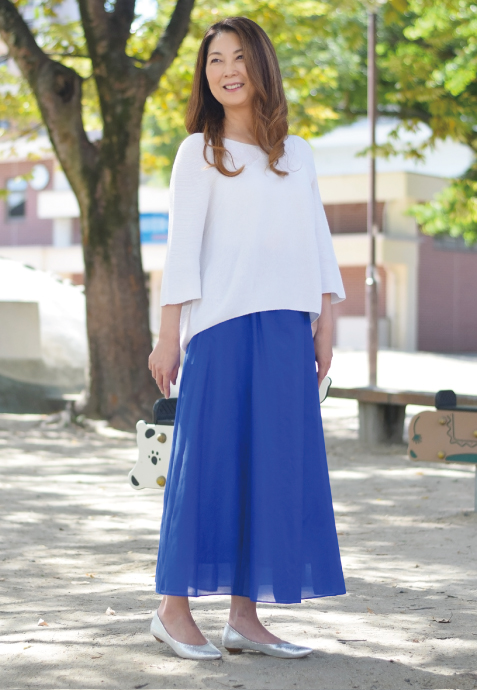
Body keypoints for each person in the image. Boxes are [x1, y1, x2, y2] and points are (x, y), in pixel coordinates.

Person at [148, 16, 346, 661]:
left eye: (238, 57)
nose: (227, 70)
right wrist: (168, 337)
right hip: (220, 328)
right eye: (214, 60)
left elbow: (319, 245)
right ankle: (172, 611)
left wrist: (326, 326)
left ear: (262, 66)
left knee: (273, 471)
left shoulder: (298, 153)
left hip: (287, 329)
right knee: (206, 468)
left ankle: (245, 618)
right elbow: (180, 254)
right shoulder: (198, 152)